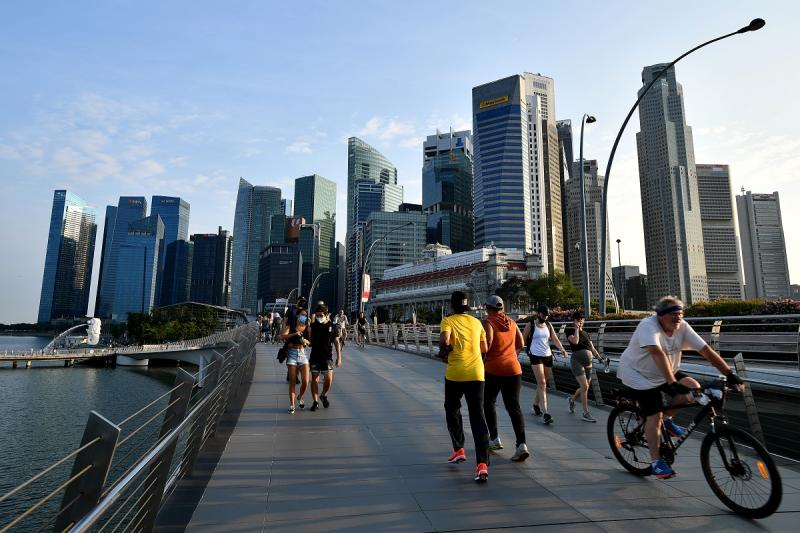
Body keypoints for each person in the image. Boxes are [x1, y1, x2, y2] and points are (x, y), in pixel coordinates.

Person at [618, 296, 744, 479]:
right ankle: (656, 462)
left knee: (694, 388)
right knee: (654, 414)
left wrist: (730, 374)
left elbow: (706, 351)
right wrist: (672, 383)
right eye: (673, 314)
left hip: (663, 371)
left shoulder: (682, 326)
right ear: (660, 316)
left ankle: (667, 420)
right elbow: (657, 352)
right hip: (637, 374)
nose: (678, 318)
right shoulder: (648, 325)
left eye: (680, 313)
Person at [439, 291, 490, 482]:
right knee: (478, 417)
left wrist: (446, 351)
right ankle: (482, 464)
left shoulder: (448, 321)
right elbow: (485, 348)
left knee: (452, 409)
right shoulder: (477, 322)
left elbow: (444, 341)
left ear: (452, 306)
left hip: (455, 374)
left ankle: (459, 448)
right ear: (467, 306)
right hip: (477, 374)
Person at [481, 295, 529, 462]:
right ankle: (521, 445)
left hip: (494, 369)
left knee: (488, 402)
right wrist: (510, 356)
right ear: (501, 308)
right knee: (514, 407)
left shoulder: (488, 321)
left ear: (488, 308)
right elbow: (521, 344)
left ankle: (494, 439)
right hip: (514, 369)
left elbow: (487, 343)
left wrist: (482, 360)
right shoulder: (512, 322)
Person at [522, 304, 567, 425]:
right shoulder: (530, 325)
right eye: (544, 315)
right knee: (541, 383)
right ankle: (546, 413)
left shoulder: (548, 325)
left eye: (547, 315)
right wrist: (514, 354)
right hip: (535, 356)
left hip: (547, 356)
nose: (546, 317)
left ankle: (536, 405)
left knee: (543, 384)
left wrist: (562, 349)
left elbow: (555, 339)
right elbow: (522, 340)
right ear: (538, 313)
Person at [564, 311, 604, 423]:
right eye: (578, 319)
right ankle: (585, 413)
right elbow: (575, 342)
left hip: (589, 363)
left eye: (582, 319)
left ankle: (572, 400)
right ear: (574, 321)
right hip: (577, 361)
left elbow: (592, 348)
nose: (580, 321)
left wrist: (600, 359)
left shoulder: (586, 334)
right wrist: (577, 329)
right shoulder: (570, 331)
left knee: (584, 387)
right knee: (585, 386)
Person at [308, 302, 342, 411]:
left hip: (327, 357)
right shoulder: (313, 326)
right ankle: (315, 401)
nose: (319, 317)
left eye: (321, 315)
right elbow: (309, 340)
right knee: (315, 379)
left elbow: (337, 342)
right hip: (315, 356)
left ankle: (323, 395)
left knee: (328, 380)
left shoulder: (333, 326)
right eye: (317, 315)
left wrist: (339, 357)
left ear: (326, 315)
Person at [281, 307, 311, 413]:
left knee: (306, 381)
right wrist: (294, 334)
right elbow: (282, 336)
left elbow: (310, 341)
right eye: (302, 314)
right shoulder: (292, 326)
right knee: (293, 381)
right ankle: (292, 404)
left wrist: (304, 340)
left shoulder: (307, 327)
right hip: (292, 353)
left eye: (305, 315)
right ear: (297, 315)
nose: (304, 317)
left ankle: (300, 397)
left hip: (303, 353)